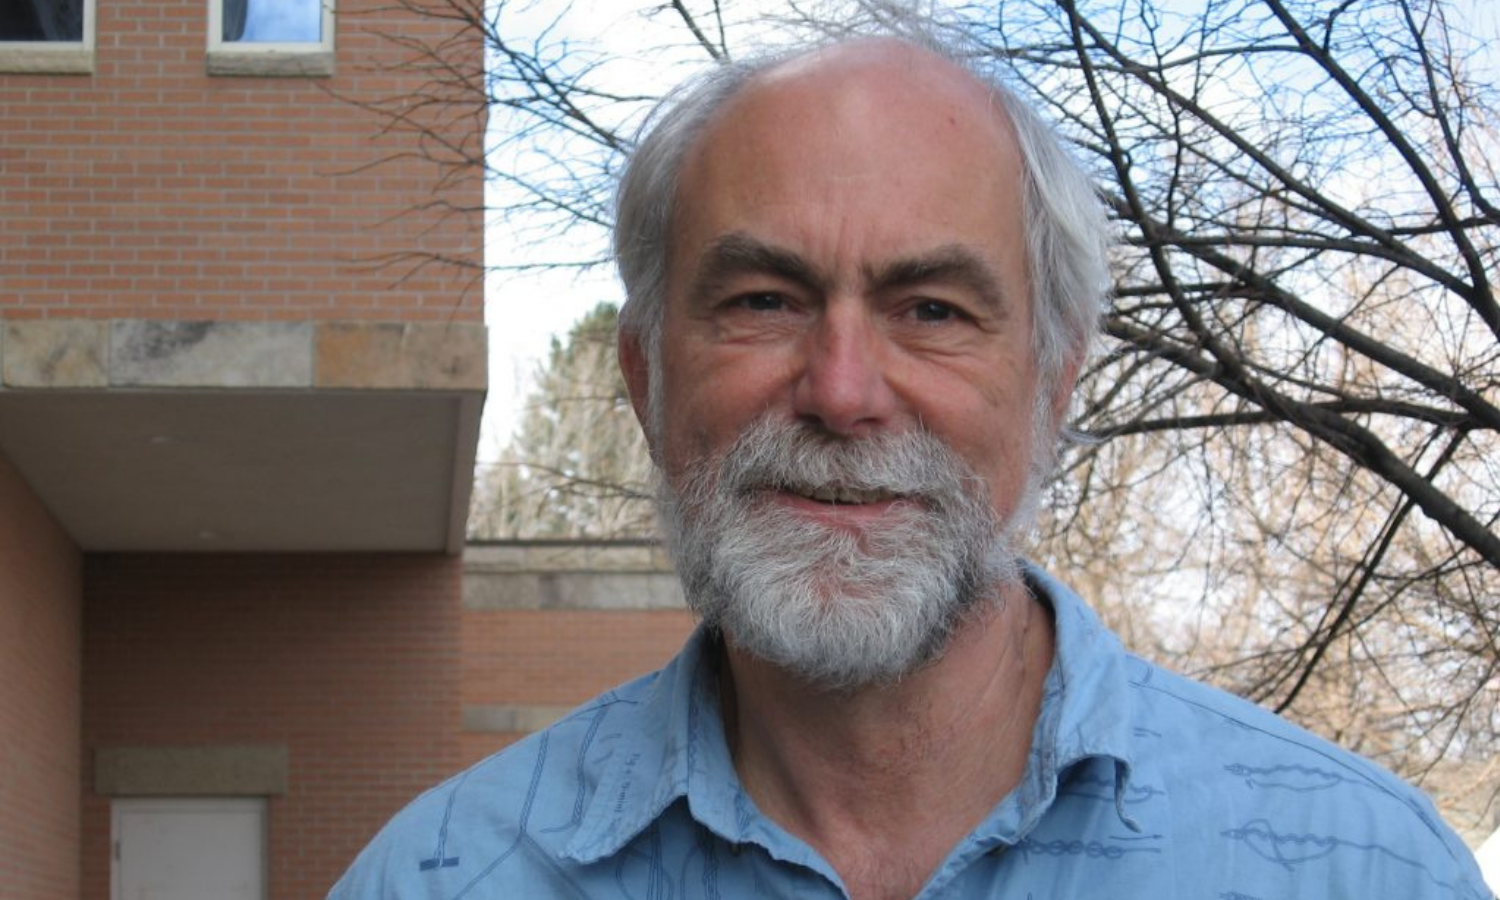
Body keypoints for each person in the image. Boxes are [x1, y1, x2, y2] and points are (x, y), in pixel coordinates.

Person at [328, 33, 1492, 900]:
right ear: (646, 379)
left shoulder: (1368, 872)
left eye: (932, 309)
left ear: (1053, 384)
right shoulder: (441, 881)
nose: (843, 393)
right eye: (763, 300)